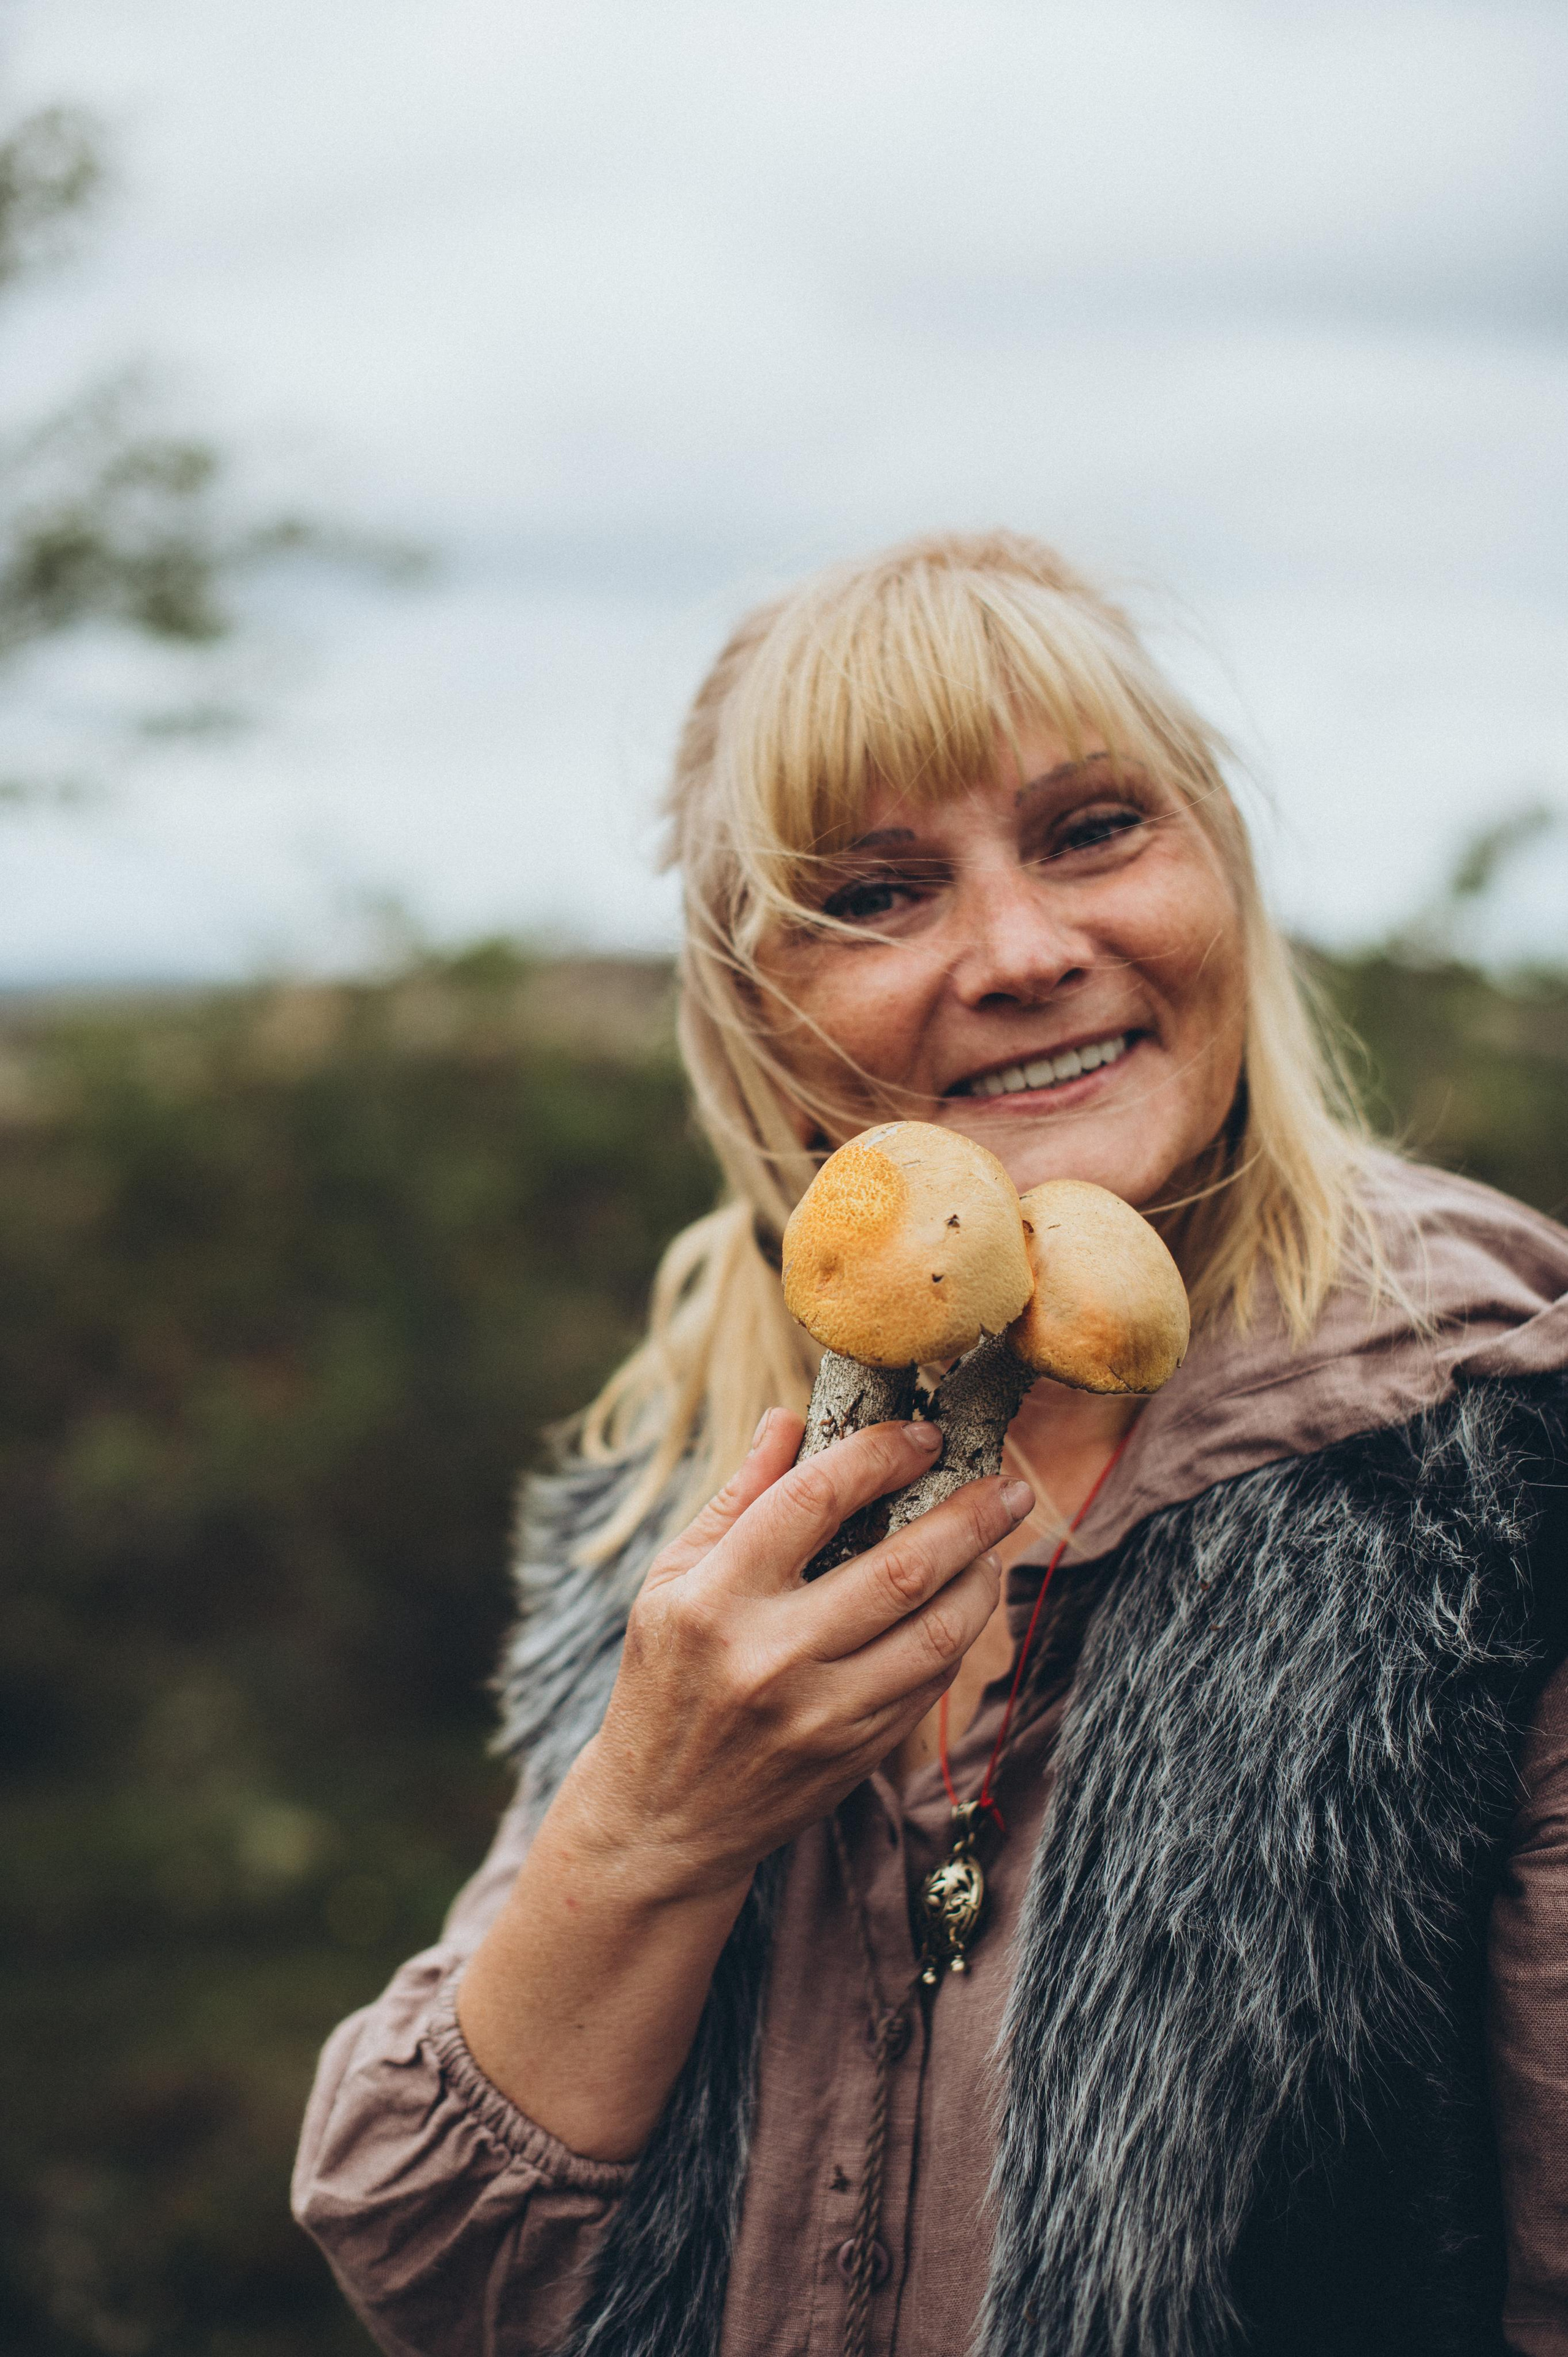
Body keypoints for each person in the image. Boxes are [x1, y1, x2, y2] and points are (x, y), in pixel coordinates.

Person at [293, 532, 1568, 2357]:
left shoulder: (1506, 1457)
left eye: (1094, 829)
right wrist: (656, 1820)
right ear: (761, 1021)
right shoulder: (698, 1485)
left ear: (1225, 870)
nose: (1027, 952)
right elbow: (429, 2256)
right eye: (878, 894)